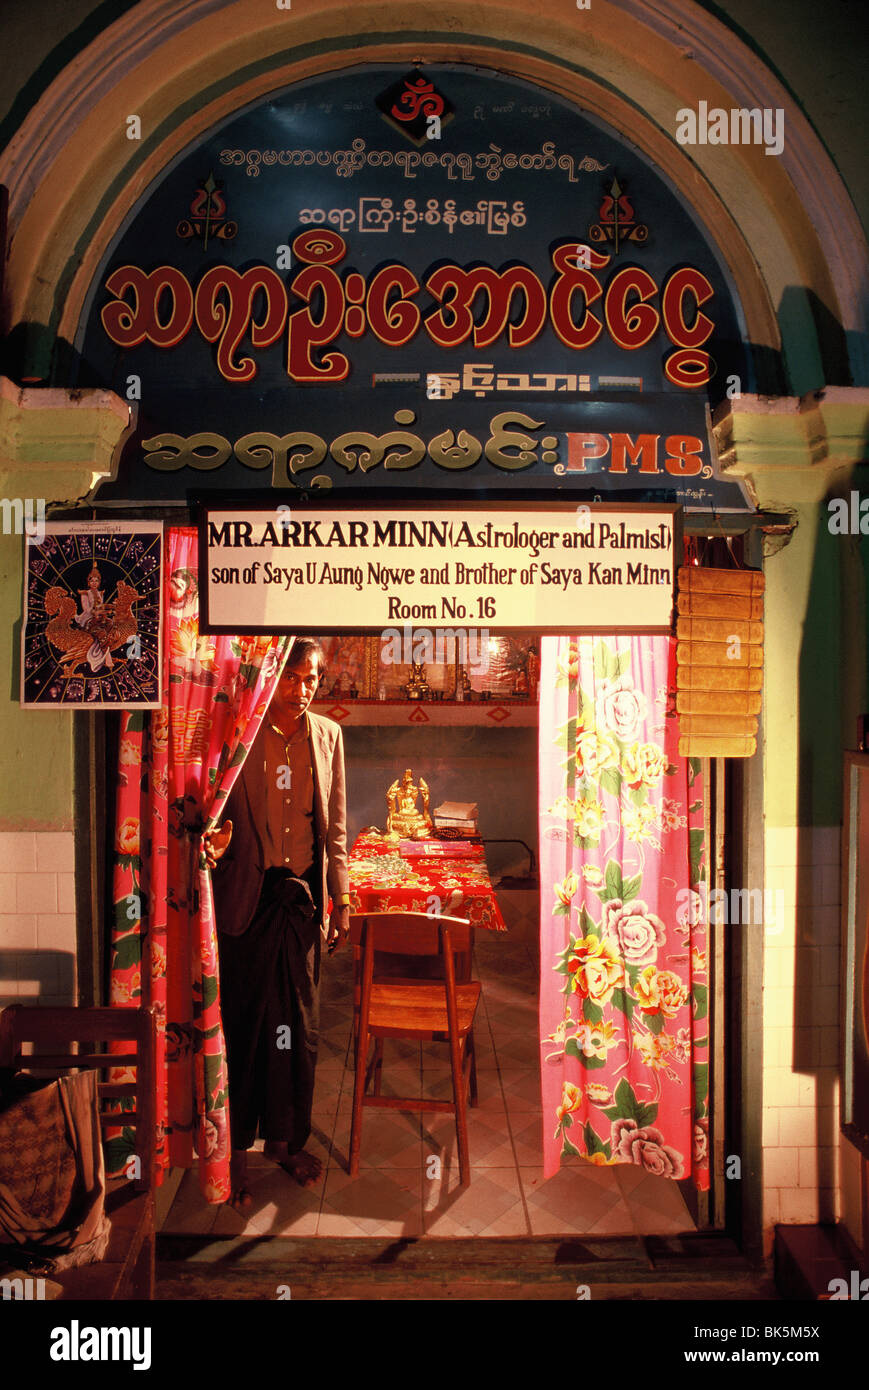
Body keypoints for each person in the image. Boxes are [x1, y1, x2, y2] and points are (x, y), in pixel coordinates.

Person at [203, 638, 350, 1208]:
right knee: (243, 1027)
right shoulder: (240, 732)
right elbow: (209, 806)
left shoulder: (329, 737)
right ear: (273, 676)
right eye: (292, 676)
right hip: (249, 897)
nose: (301, 688)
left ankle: (287, 1144)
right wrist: (210, 843)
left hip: (302, 903)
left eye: (311, 678)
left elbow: (335, 829)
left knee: (298, 1029)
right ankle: (234, 1154)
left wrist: (339, 899)